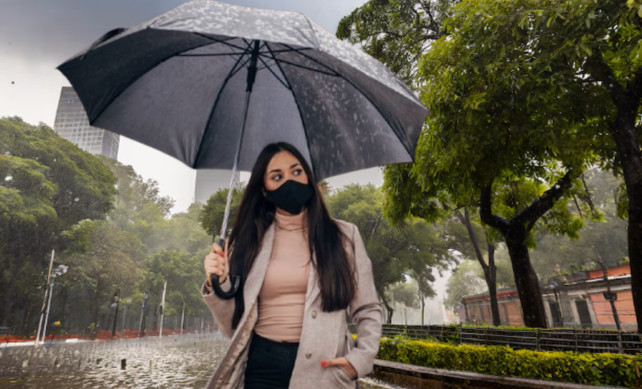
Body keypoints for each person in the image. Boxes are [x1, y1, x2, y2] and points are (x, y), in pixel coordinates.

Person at [202, 142, 382, 389]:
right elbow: (231, 328)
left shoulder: (344, 236)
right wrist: (219, 282)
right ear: (264, 190)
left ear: (308, 176)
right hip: (262, 367)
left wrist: (359, 360)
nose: (290, 181)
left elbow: (368, 308)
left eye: (296, 172)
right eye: (277, 176)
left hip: (325, 370)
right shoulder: (247, 242)